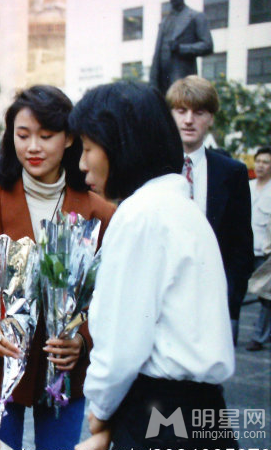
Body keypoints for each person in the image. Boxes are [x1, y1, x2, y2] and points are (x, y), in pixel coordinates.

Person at [71, 81, 236, 450]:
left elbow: (122, 340)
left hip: (159, 410)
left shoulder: (141, 214)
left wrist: (99, 408)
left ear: (119, 145)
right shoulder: (181, 207)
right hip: (201, 409)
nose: (82, 164)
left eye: (87, 148)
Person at [0, 85, 115, 450]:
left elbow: (108, 295)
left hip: (65, 370)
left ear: (70, 138)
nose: (33, 147)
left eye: (46, 136)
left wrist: (82, 338)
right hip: (0, 366)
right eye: (22, 135)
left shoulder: (100, 212)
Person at [166, 75, 254, 345]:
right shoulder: (152, 168)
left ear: (211, 118)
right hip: (163, 302)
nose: (189, 119)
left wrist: (229, 300)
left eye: (199, 112)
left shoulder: (232, 172)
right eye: (181, 111)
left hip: (212, 304)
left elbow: (241, 245)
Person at [149, 0, 213, 95]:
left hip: (181, 77)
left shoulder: (196, 16)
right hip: (160, 79)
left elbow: (207, 45)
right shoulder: (165, 21)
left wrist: (181, 48)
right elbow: (157, 52)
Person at [247, 146, 271, 351]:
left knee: (266, 297)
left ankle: (259, 337)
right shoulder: (247, 186)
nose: (261, 165)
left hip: (264, 253)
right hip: (244, 249)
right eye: (259, 161)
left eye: (266, 162)